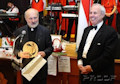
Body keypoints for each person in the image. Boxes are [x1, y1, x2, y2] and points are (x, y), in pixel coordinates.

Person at [77, 3, 118, 84]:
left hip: (101, 75)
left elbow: (108, 56)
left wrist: (91, 67)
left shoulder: (110, 32)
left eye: (95, 13)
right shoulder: (87, 30)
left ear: (102, 15)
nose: (91, 15)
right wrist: (80, 62)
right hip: (84, 73)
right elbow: (80, 48)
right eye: (90, 13)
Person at [13, 8, 53, 84]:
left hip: (40, 69)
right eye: (30, 18)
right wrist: (19, 53)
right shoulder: (20, 31)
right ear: (25, 19)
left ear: (38, 17)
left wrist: (44, 53)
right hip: (26, 68)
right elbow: (15, 49)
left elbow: (50, 48)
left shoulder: (45, 31)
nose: (33, 21)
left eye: (35, 18)